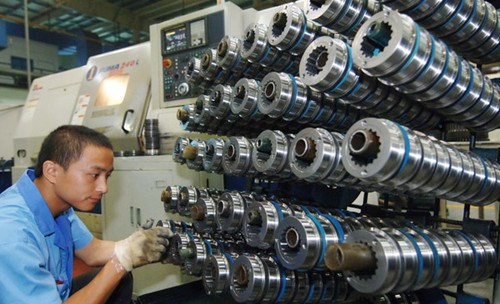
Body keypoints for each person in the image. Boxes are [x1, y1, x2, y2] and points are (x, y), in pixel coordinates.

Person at [0, 125, 173, 303]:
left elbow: (93, 252)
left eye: (107, 176)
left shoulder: (58, 206)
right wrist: (121, 261)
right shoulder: (12, 235)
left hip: (53, 292)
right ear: (52, 171)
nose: (103, 188)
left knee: (120, 279)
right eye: (94, 175)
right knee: (116, 272)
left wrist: (135, 245)